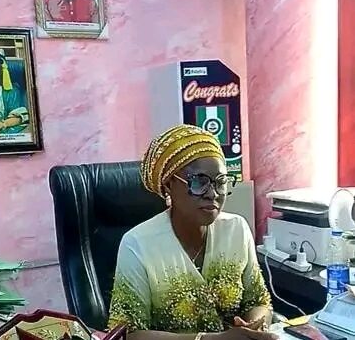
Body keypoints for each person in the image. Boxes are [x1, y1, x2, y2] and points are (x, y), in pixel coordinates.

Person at [108, 124, 276, 340]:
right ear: (169, 185)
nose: (212, 194)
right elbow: (128, 334)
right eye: (199, 182)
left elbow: (259, 301)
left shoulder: (236, 229)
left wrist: (254, 326)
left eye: (221, 182)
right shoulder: (137, 244)